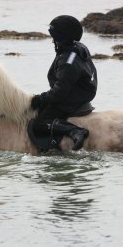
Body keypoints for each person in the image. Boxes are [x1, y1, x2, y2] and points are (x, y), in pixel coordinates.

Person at [30, 15, 98, 150]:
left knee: (38, 123)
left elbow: (60, 91)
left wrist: (40, 99)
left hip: (71, 98)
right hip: (78, 93)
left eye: (54, 37)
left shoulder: (68, 61)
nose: (52, 41)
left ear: (62, 38)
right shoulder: (77, 48)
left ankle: (75, 131)